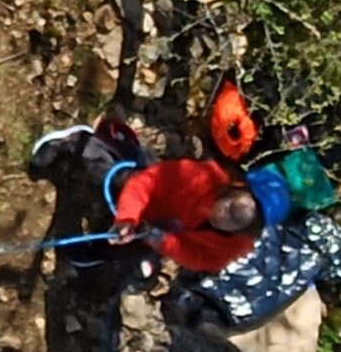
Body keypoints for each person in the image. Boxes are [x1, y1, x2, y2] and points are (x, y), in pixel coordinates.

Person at [29, 116, 261, 280]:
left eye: (233, 220)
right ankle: (73, 146)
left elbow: (196, 258)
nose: (223, 215)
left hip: (150, 230)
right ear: (231, 190)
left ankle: (92, 251)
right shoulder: (202, 177)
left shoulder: (230, 249)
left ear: (239, 232)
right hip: (141, 197)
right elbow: (146, 183)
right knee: (118, 176)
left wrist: (161, 241)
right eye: (229, 206)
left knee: (139, 267)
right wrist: (127, 218)